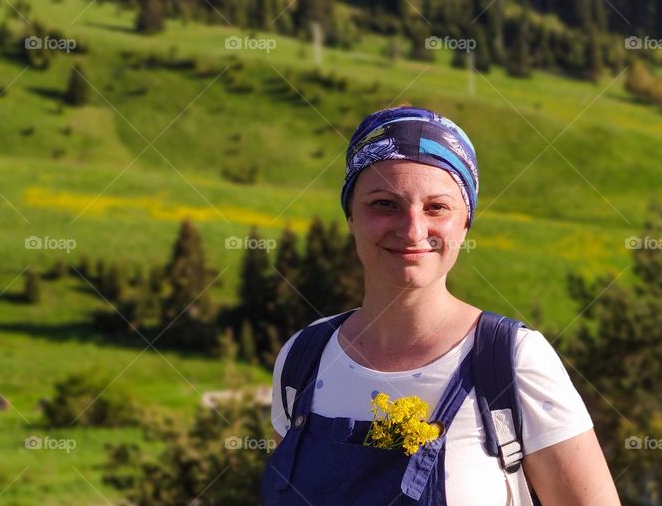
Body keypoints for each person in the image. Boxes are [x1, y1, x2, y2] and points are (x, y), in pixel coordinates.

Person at [262, 105, 621, 506]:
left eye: (437, 207)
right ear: (350, 216)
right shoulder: (304, 359)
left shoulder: (511, 362)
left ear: (465, 223)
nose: (413, 229)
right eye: (384, 204)